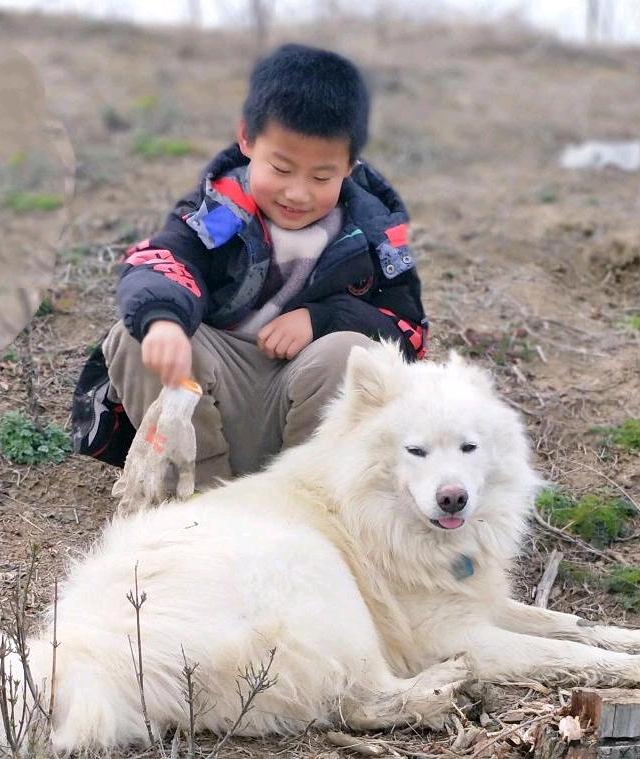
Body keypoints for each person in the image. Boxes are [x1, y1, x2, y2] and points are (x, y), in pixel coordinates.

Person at [70, 43, 429, 484]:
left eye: (321, 177)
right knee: (138, 333)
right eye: (281, 168)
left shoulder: (372, 234)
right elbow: (170, 257)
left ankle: (302, 501)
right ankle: (196, 499)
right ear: (247, 140)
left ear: (350, 166)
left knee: (352, 354)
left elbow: (408, 334)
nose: (297, 193)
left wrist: (323, 318)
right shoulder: (224, 214)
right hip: (211, 401)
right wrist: (164, 320)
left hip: (311, 423)